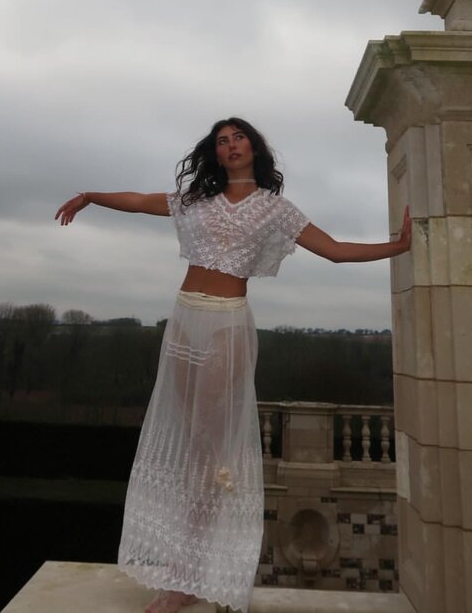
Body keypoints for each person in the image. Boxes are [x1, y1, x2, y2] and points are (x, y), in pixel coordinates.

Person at [55, 117, 411, 613]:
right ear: (216, 153)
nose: (230, 145)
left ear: (254, 147)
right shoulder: (196, 200)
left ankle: (187, 576)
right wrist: (91, 196)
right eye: (222, 141)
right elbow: (139, 200)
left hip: (226, 325)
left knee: (208, 450)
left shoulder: (274, 208)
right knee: (187, 442)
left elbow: (334, 251)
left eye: (238, 137)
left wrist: (397, 246)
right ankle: (181, 565)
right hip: (184, 321)